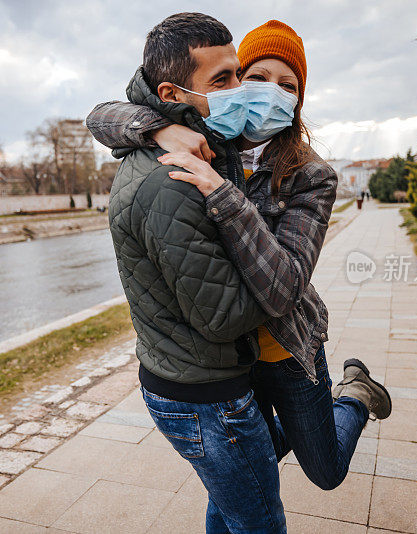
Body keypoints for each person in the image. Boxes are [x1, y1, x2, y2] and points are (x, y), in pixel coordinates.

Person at [87, 17, 392, 498]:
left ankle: (355, 393)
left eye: (287, 85)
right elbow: (103, 115)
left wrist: (224, 197)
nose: (271, 92)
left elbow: (285, 286)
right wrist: (158, 131)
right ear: (233, 83)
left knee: (325, 471)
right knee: (240, 481)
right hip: (231, 361)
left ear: (298, 100)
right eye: (256, 78)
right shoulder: (211, 135)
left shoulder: (311, 176)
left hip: (286, 348)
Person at [103, 13, 286, 533]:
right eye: (222, 80)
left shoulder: (200, 144)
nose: (240, 90)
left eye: (239, 73)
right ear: (172, 92)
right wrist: (282, 275)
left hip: (199, 379)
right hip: (209, 397)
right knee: (260, 523)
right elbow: (225, 317)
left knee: (230, 512)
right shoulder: (173, 181)